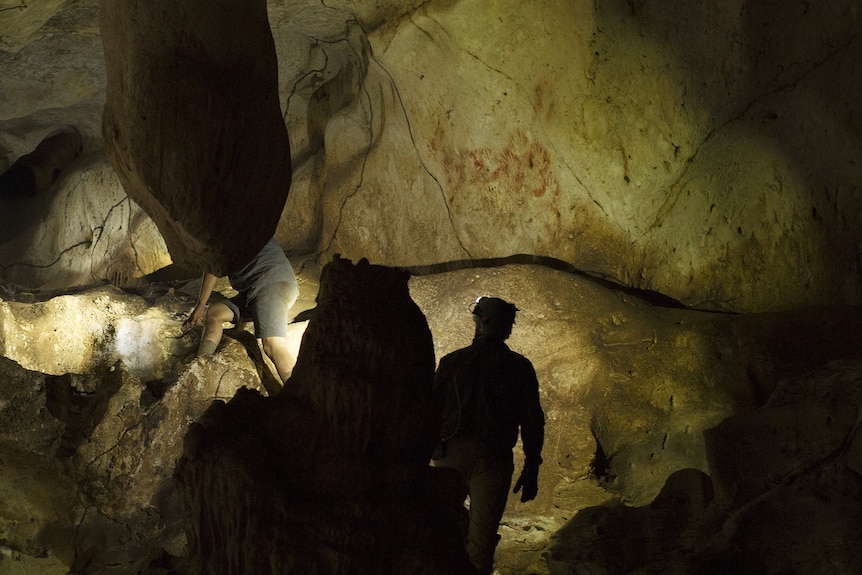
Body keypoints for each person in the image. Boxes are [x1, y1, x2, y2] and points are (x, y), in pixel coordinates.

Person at [432, 296, 545, 575]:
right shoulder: (518, 367)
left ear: (478, 322)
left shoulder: (453, 362)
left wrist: (430, 445)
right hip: (493, 459)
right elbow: (532, 420)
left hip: (450, 454)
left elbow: (430, 409)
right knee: (480, 544)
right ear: (507, 328)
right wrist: (532, 465)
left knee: (440, 530)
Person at [183, 237, 299, 385]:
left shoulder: (229, 229)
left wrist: (200, 305)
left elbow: (213, 268)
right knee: (215, 312)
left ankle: (301, 394)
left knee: (272, 344)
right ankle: (201, 366)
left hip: (271, 285)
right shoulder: (244, 223)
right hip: (254, 291)